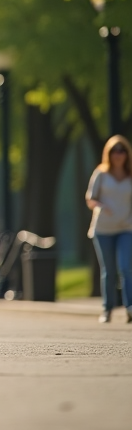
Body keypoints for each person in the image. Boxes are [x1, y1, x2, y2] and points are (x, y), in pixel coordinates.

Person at [85, 134, 132, 324]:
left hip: (126, 227)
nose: (118, 154)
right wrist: (101, 206)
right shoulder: (101, 174)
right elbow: (90, 199)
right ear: (109, 154)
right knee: (109, 270)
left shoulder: (130, 175)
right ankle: (107, 309)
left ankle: (130, 308)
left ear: (127, 154)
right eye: (115, 151)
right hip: (103, 228)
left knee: (125, 267)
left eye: (122, 150)